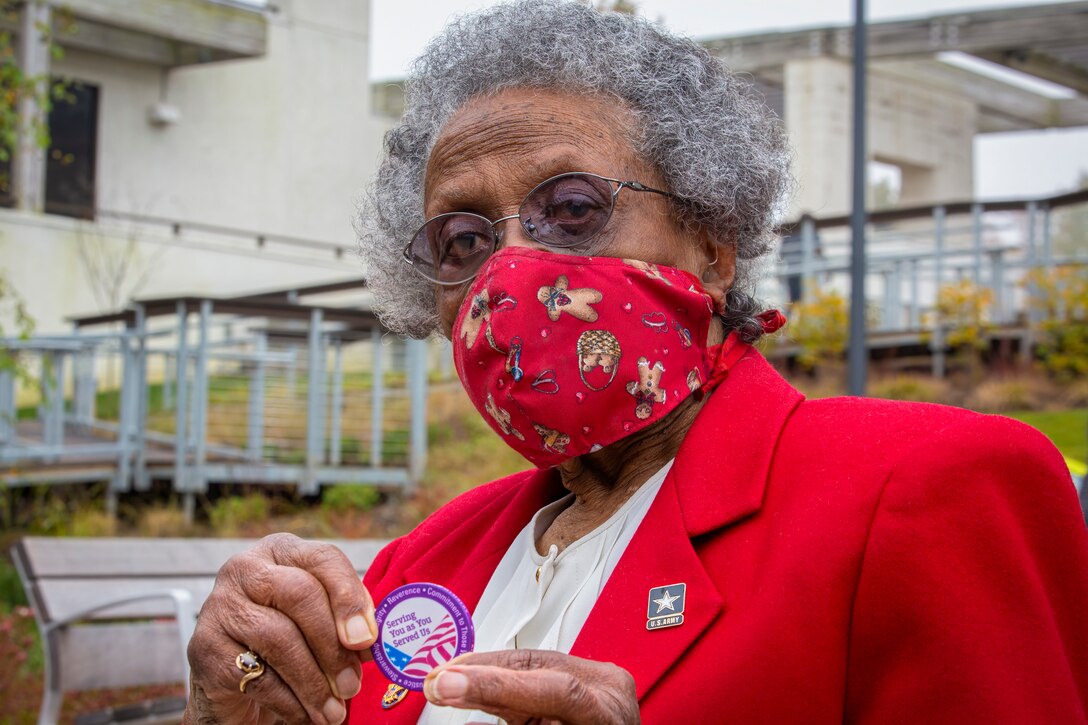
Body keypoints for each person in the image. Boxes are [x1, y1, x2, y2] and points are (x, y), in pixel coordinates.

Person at [183, 3, 1088, 724]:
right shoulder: (426, 558)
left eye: (570, 208)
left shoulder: (927, 487)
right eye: (462, 238)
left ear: (712, 240)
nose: (510, 270)